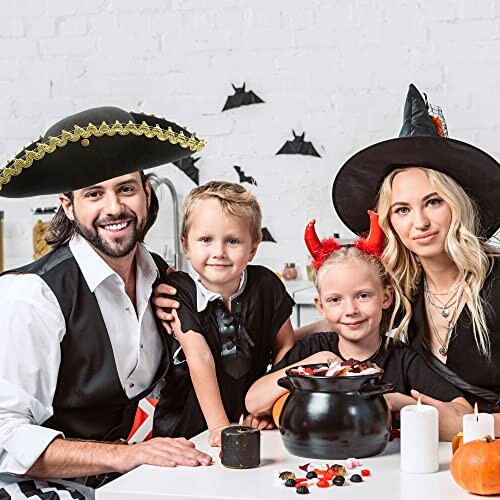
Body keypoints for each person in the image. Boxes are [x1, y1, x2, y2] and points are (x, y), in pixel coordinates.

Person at [0, 107, 212, 499]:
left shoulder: (161, 279)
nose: (113, 208)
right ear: (68, 205)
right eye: (94, 194)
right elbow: (5, 438)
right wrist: (125, 456)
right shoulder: (34, 295)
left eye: (125, 189)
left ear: (147, 193)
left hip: (127, 482)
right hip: (43, 487)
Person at [332, 83, 500, 436]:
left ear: (458, 204)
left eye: (433, 202)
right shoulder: (401, 292)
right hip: (421, 458)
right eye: (403, 209)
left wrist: (467, 424)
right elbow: (340, 320)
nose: (420, 223)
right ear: (389, 221)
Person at [245, 213, 472, 440]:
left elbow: (465, 412)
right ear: (321, 307)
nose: (351, 309)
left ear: (386, 297)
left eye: (363, 295)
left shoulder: (403, 359)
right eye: (335, 300)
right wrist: (317, 362)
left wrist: (402, 403)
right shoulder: (312, 350)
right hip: (321, 462)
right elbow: (254, 401)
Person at [152, 181, 296, 446]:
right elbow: (199, 355)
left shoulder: (266, 285)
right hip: (188, 428)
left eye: (232, 241)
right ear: (186, 245)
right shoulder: (180, 291)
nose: (218, 252)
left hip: (248, 419)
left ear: (253, 248)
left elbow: (285, 345)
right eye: (205, 240)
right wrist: (219, 426)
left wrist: (268, 402)